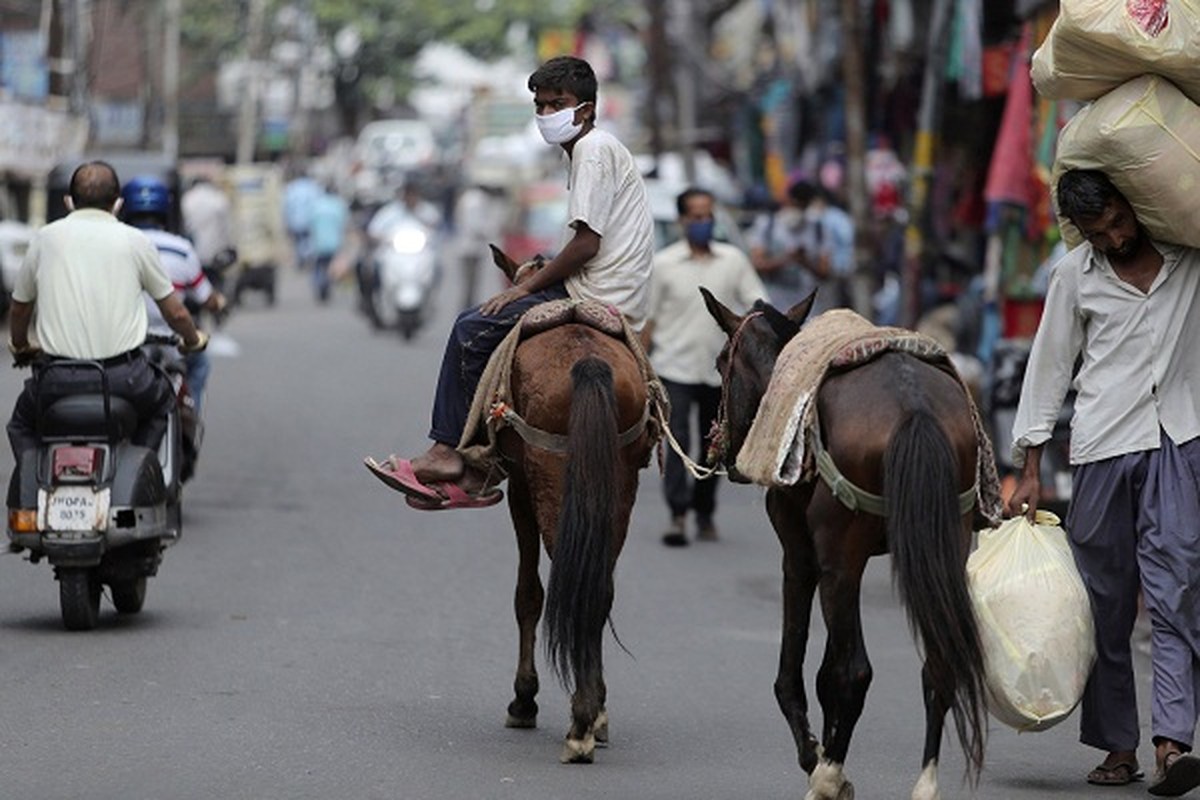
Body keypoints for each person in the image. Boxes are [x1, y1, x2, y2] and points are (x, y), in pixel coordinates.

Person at [364, 55, 655, 510]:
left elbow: (586, 246)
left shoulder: (593, 149)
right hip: (608, 285)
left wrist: (524, 288)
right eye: (539, 106)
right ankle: (479, 461)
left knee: (469, 328)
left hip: (596, 291)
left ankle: (446, 453)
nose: (546, 115)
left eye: (556, 104)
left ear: (587, 110)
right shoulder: (591, 152)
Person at [1008, 168, 1200, 796]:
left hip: (1178, 441)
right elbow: (1050, 366)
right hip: (1101, 449)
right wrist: (1029, 468)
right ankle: (1119, 747)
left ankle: (1173, 743)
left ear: (1133, 204)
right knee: (1104, 605)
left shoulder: (1188, 256)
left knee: (1176, 591)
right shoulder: (1073, 276)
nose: (1115, 238)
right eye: (1099, 232)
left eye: (1119, 221)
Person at [6, 161, 207, 458]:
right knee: (163, 407)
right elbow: (176, 313)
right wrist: (192, 340)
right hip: (124, 378)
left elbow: (20, 309)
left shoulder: (44, 240)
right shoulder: (135, 241)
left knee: (21, 424)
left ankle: (31, 492)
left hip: (56, 379)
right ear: (117, 204)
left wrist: (21, 346)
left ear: (69, 202)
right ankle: (139, 468)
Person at [641, 187, 765, 547]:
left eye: (708, 215)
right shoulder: (663, 265)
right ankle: (678, 514)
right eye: (696, 216)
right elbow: (647, 322)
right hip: (673, 368)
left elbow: (757, 306)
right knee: (677, 443)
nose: (703, 222)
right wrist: (643, 371)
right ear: (682, 221)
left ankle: (705, 512)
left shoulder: (733, 261)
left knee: (715, 445)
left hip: (720, 374)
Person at [122, 174, 226, 415]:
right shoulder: (181, 248)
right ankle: (192, 418)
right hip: (170, 340)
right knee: (199, 365)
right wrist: (218, 303)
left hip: (123, 342)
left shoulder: (113, 244)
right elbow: (203, 298)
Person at [748, 179, 854, 316]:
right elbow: (757, 265)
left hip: (810, 312)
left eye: (802, 206)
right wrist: (786, 259)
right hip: (775, 308)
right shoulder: (767, 226)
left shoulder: (818, 229)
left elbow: (825, 271)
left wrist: (804, 261)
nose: (797, 209)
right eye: (794, 204)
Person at [307, 182, 350, 304]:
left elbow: (310, 224)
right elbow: (344, 223)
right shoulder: (338, 204)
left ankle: (320, 285)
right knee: (332, 266)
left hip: (318, 244)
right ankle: (328, 284)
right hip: (334, 243)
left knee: (319, 267)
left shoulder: (316, 205)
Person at [283, 168, 321, 271]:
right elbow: (318, 203)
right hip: (310, 220)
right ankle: (307, 258)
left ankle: (302, 260)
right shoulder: (313, 186)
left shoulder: (292, 187)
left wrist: (287, 221)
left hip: (295, 220)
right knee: (308, 241)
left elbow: (286, 206)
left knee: (298, 242)